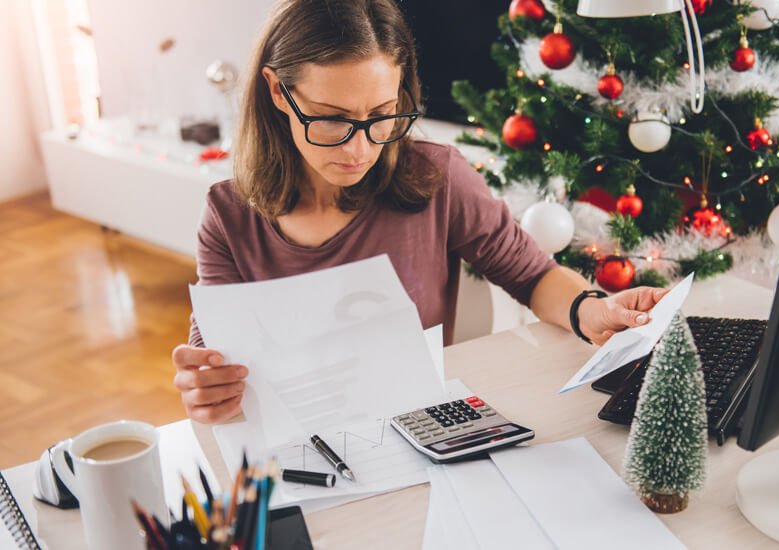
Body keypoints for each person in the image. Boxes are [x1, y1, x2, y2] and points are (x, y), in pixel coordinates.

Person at [172, 0, 667, 424]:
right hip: (299, 443)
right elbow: (216, 361)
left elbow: (533, 276)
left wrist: (592, 310)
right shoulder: (228, 216)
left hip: (420, 430)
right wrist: (207, 389)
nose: (361, 149)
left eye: (382, 115)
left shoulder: (438, 178)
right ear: (279, 92)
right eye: (333, 119)